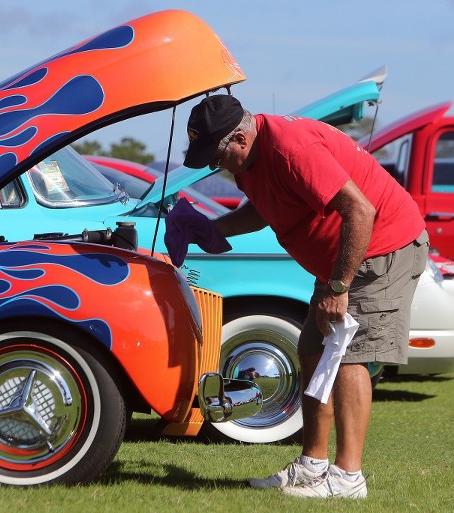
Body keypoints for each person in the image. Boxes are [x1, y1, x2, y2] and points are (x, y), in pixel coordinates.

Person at [180, 94, 429, 499]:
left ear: (240, 140)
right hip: (340, 259)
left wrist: (339, 287)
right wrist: (211, 230)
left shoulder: (292, 149)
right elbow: (264, 209)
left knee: (349, 354)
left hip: (382, 248)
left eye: (218, 157)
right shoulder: (253, 157)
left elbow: (360, 211)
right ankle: (313, 466)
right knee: (313, 350)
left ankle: (348, 478)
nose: (217, 167)